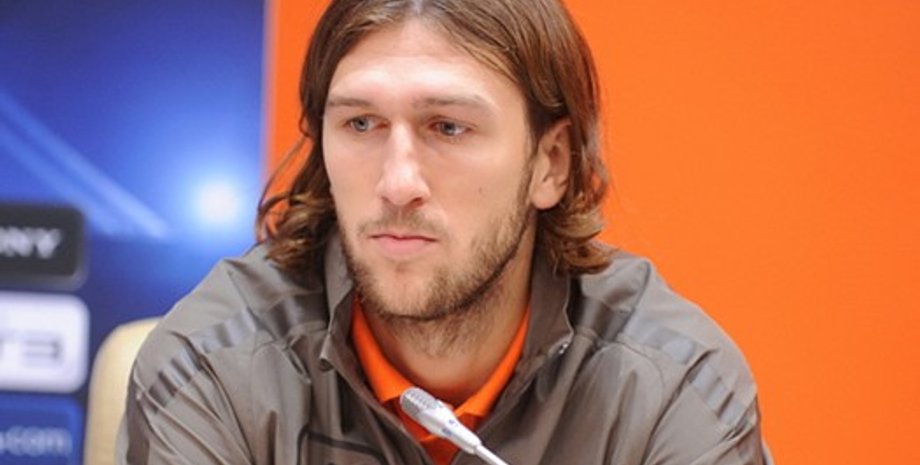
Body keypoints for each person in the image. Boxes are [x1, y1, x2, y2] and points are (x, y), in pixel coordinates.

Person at [118, 0, 769, 464]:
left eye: (448, 127)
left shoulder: (672, 387)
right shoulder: (215, 366)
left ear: (550, 163)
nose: (398, 182)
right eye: (361, 124)